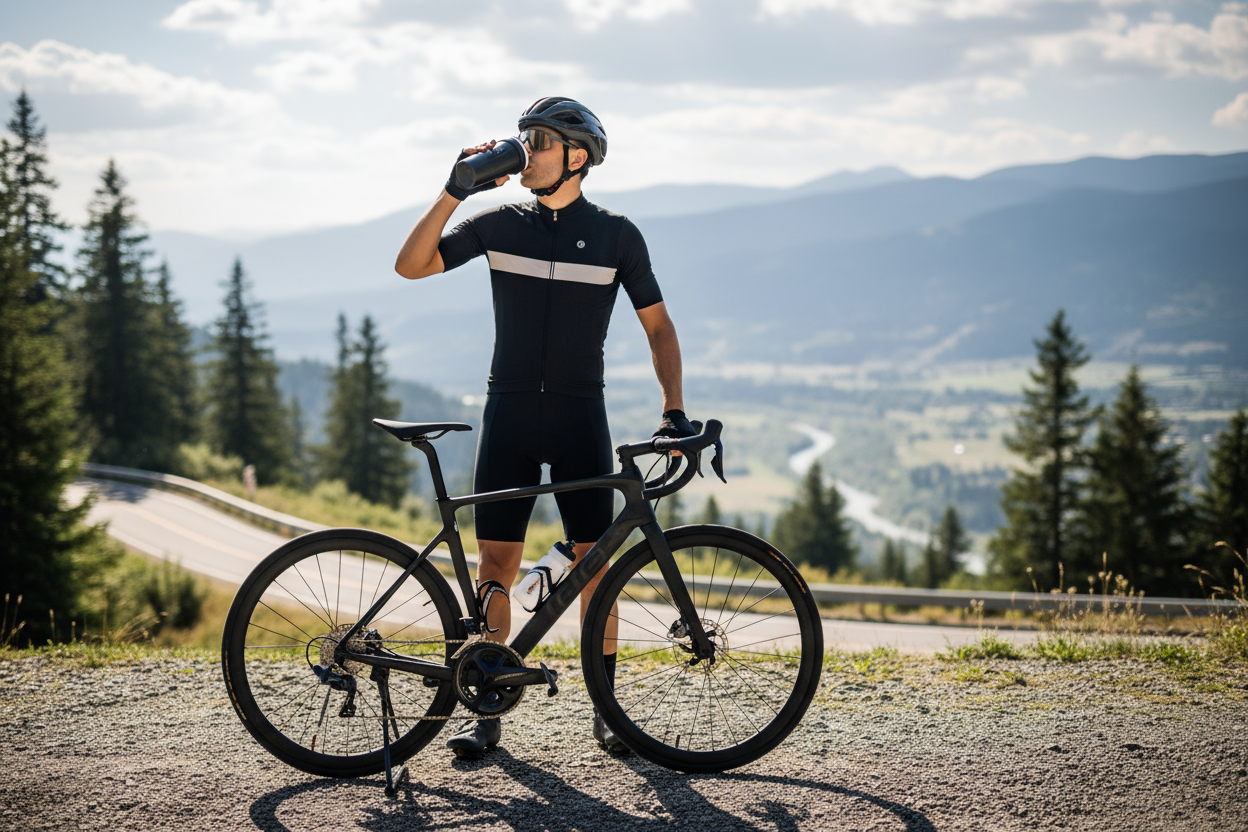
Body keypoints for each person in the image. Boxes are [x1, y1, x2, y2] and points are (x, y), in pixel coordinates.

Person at [394, 97, 696, 756]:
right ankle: (489, 707)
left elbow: (659, 327)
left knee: (595, 566)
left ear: (577, 157)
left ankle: (609, 712)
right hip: (509, 413)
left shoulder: (619, 236)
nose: (524, 149)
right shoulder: (499, 223)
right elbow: (410, 266)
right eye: (524, 137)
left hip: (579, 414)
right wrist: (454, 189)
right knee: (496, 564)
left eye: (538, 141)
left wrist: (673, 408)